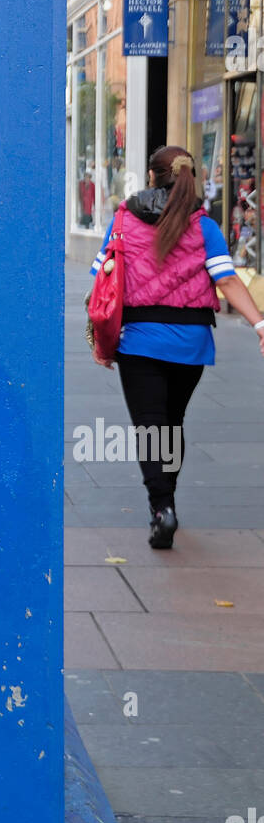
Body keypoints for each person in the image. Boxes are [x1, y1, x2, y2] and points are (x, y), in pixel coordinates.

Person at [89, 146, 264, 549]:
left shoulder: (123, 220)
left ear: (151, 177)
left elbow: (102, 278)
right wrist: (258, 323)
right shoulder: (203, 226)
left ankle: (161, 508)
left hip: (139, 341)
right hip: (191, 343)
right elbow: (228, 281)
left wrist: (101, 340)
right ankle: (166, 495)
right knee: (172, 422)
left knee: (151, 428)